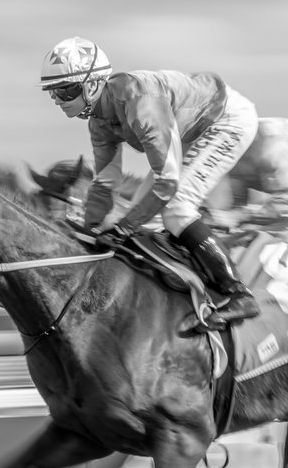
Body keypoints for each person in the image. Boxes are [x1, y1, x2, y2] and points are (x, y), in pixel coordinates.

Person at [38, 36, 260, 327]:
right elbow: (105, 183)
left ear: (91, 84)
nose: (57, 99)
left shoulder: (141, 103)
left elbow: (167, 184)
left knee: (176, 207)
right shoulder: (98, 120)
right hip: (189, 132)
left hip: (226, 120)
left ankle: (238, 293)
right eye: (52, 92)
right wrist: (91, 228)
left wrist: (122, 227)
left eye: (64, 90)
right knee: (145, 221)